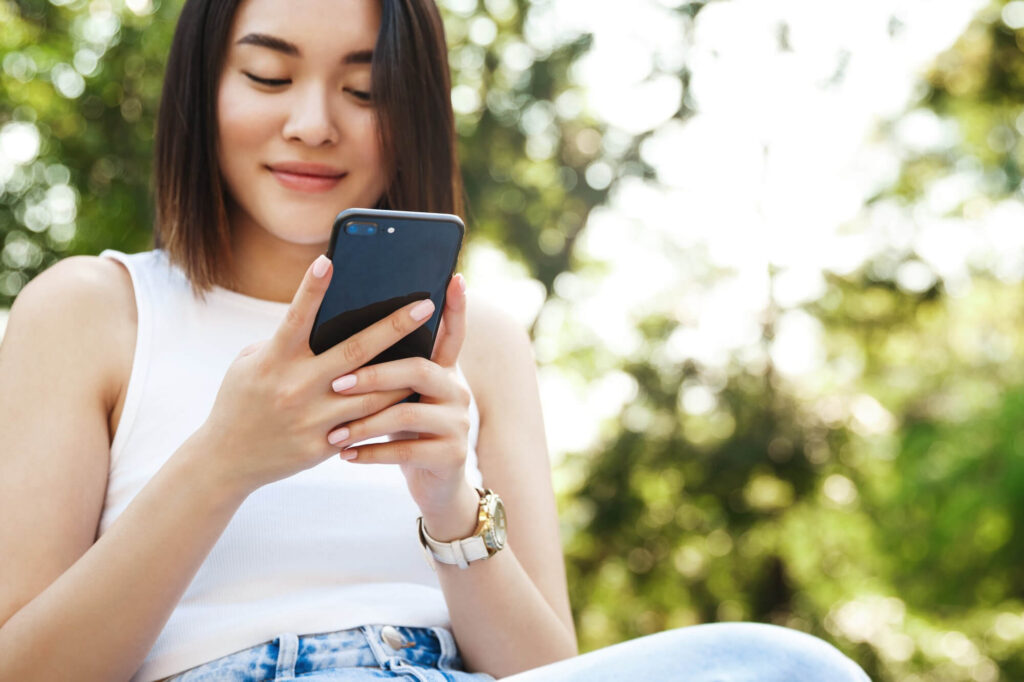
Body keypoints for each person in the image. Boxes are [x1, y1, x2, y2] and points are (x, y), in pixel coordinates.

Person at [0, 0, 871, 680]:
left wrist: (451, 501)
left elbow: (549, 674)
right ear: (203, 91)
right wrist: (224, 460)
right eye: (268, 76)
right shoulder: (93, 311)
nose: (313, 123)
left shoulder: (478, 339)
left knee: (793, 668)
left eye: (365, 89)